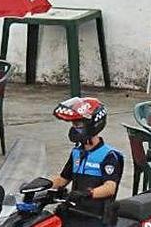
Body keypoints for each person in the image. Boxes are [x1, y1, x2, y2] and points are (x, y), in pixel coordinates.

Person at [51, 97, 124, 227]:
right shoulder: (76, 153)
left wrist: (87, 193)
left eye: (78, 125)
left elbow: (110, 188)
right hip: (74, 210)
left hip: (96, 216)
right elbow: (63, 179)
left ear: (93, 125)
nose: (74, 129)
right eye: (73, 125)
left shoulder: (109, 155)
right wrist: (42, 186)